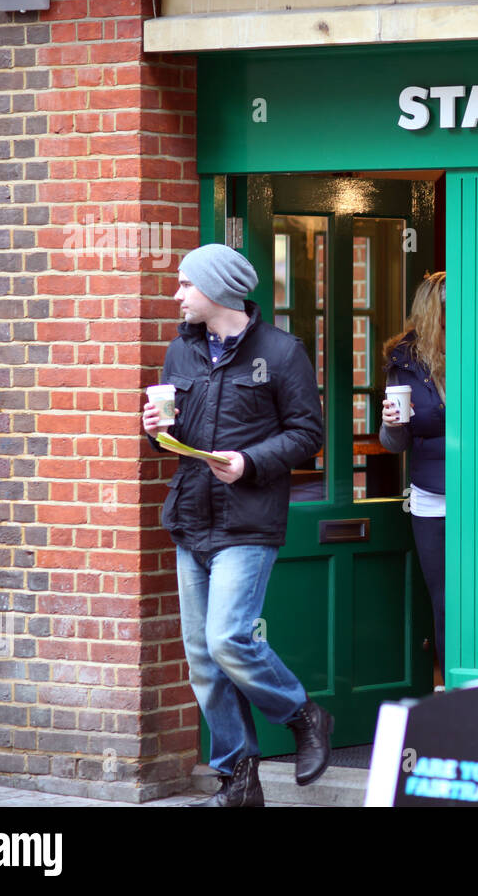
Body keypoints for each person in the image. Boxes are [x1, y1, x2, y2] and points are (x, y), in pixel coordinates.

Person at [142, 243, 332, 808]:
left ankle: (303, 715)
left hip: (247, 521)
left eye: (185, 285)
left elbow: (307, 433)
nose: (177, 295)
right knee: (202, 657)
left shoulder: (280, 352)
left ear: (217, 290)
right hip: (190, 518)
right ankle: (238, 782)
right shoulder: (182, 350)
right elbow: (173, 434)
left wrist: (250, 462)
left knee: (228, 638)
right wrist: (153, 427)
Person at [380, 272, 448, 681]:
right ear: (430, 312)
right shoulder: (403, 362)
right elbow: (395, 443)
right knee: (443, 598)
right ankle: (451, 689)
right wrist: (392, 424)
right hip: (432, 495)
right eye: (447, 309)